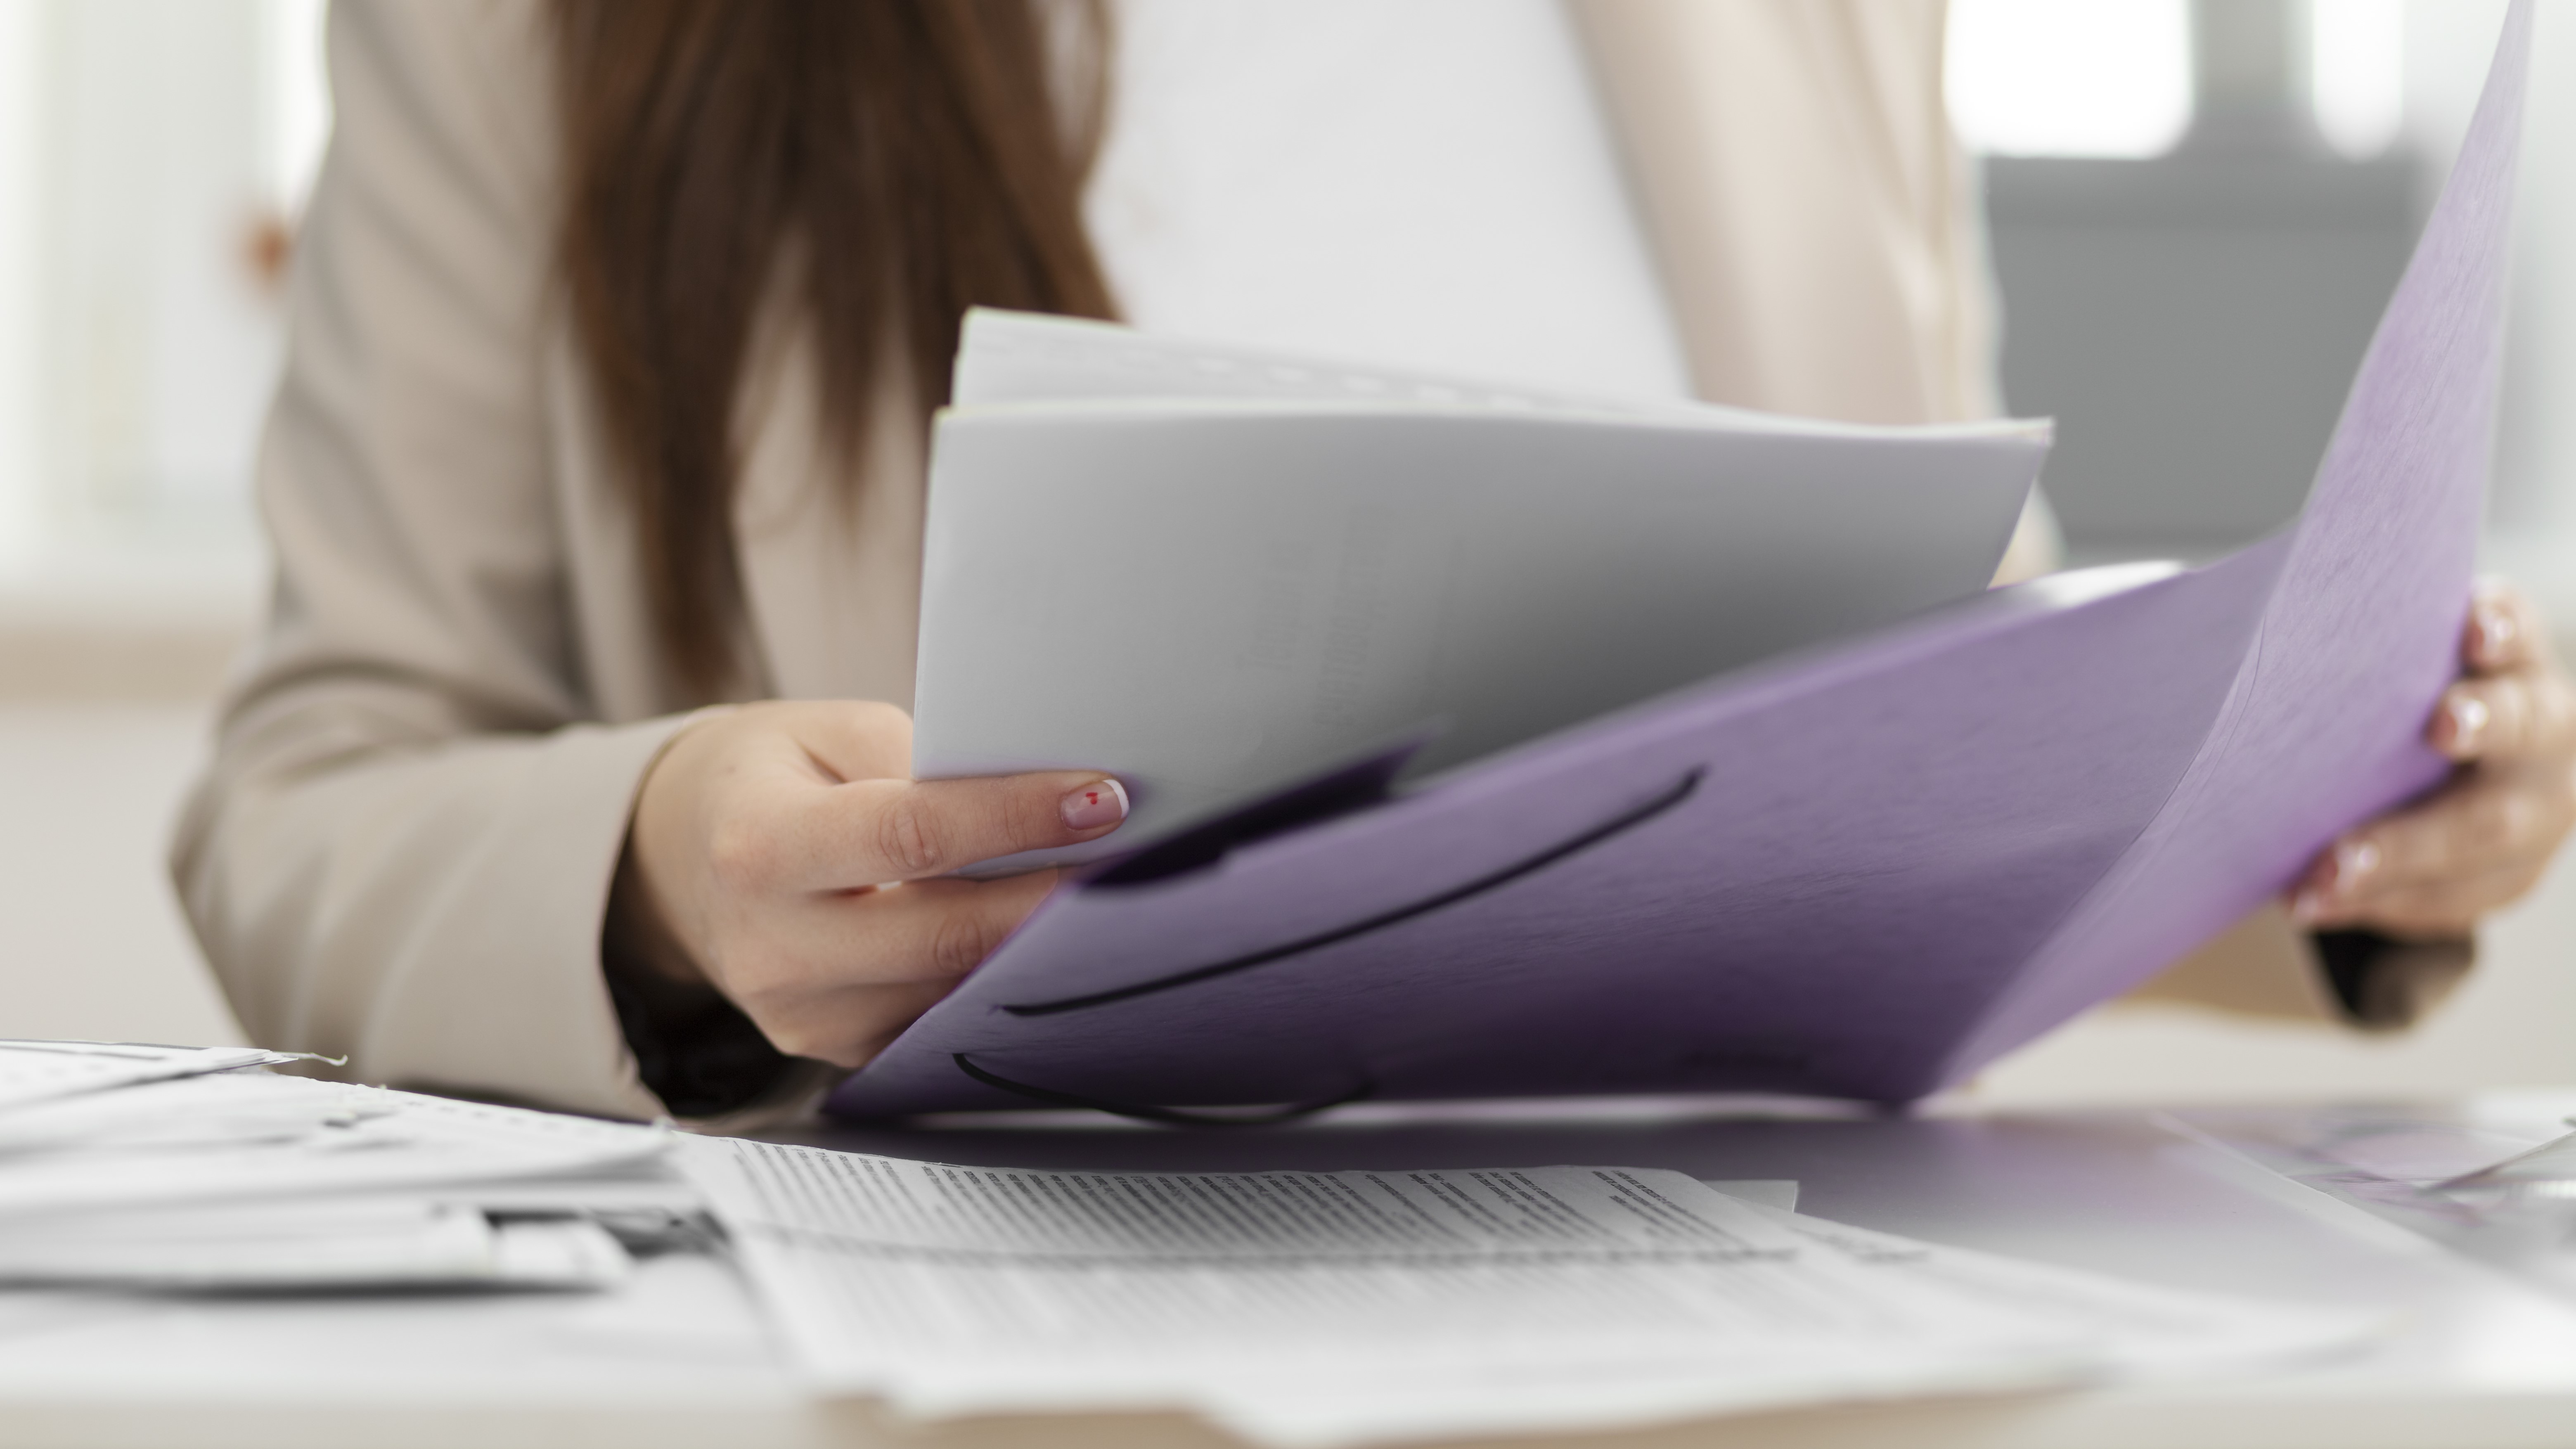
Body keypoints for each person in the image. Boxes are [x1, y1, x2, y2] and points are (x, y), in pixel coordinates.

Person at [174, 0, 2576, 1124]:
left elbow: (1931, 712)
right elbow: (311, 785)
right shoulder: (525, 32)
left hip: (1749, 1332)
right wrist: (660, 864)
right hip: (983, 1356)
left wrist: (2361, 804)